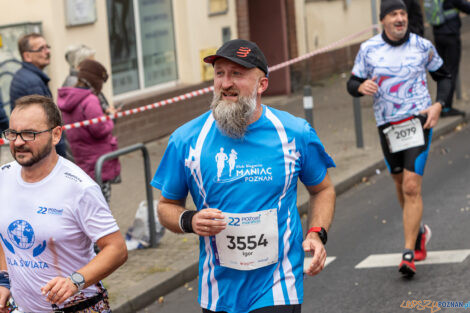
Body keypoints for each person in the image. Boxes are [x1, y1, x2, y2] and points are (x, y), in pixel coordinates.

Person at [151, 39, 336, 313]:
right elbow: (166, 207)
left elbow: (322, 189)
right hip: (218, 290)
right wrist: (189, 220)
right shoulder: (186, 140)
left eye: (237, 74)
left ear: (262, 85)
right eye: (220, 73)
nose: (226, 83)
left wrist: (316, 233)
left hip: (278, 285)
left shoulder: (295, 133)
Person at [347, 0, 451, 277]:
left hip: (418, 121)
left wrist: (439, 105)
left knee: (411, 186)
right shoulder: (368, 50)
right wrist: (361, 86)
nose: (399, 18)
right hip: (388, 126)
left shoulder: (421, 46)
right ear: (383, 20)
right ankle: (418, 233)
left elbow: (444, 76)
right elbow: (351, 83)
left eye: (403, 13)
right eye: (393, 14)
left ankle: (408, 252)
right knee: (398, 182)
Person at [0, 95, 127, 312]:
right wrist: (4, 280)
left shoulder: (79, 188)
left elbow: (117, 249)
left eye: (29, 134)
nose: (19, 142)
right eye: (13, 133)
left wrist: (74, 281)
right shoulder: (3, 177)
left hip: (78, 307)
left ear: (56, 134)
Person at [57, 59, 121, 203]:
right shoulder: (90, 100)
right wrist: (109, 118)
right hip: (98, 159)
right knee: (102, 204)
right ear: (95, 80)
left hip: (82, 157)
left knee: (89, 203)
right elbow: (99, 129)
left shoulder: (69, 97)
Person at [9, 33, 68, 158]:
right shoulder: (32, 83)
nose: (47, 52)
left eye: (47, 47)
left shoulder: (26, 76)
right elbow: (46, 122)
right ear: (27, 56)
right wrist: (60, 154)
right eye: (41, 49)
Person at [431, 0, 470, 117]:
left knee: (442, 71)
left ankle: (440, 103)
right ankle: (446, 107)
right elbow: (465, 7)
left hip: (438, 35)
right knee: (451, 71)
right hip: (450, 35)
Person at [62, 45, 116, 115]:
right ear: (80, 64)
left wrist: (106, 109)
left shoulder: (83, 80)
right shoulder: (77, 83)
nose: (95, 64)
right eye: (92, 61)